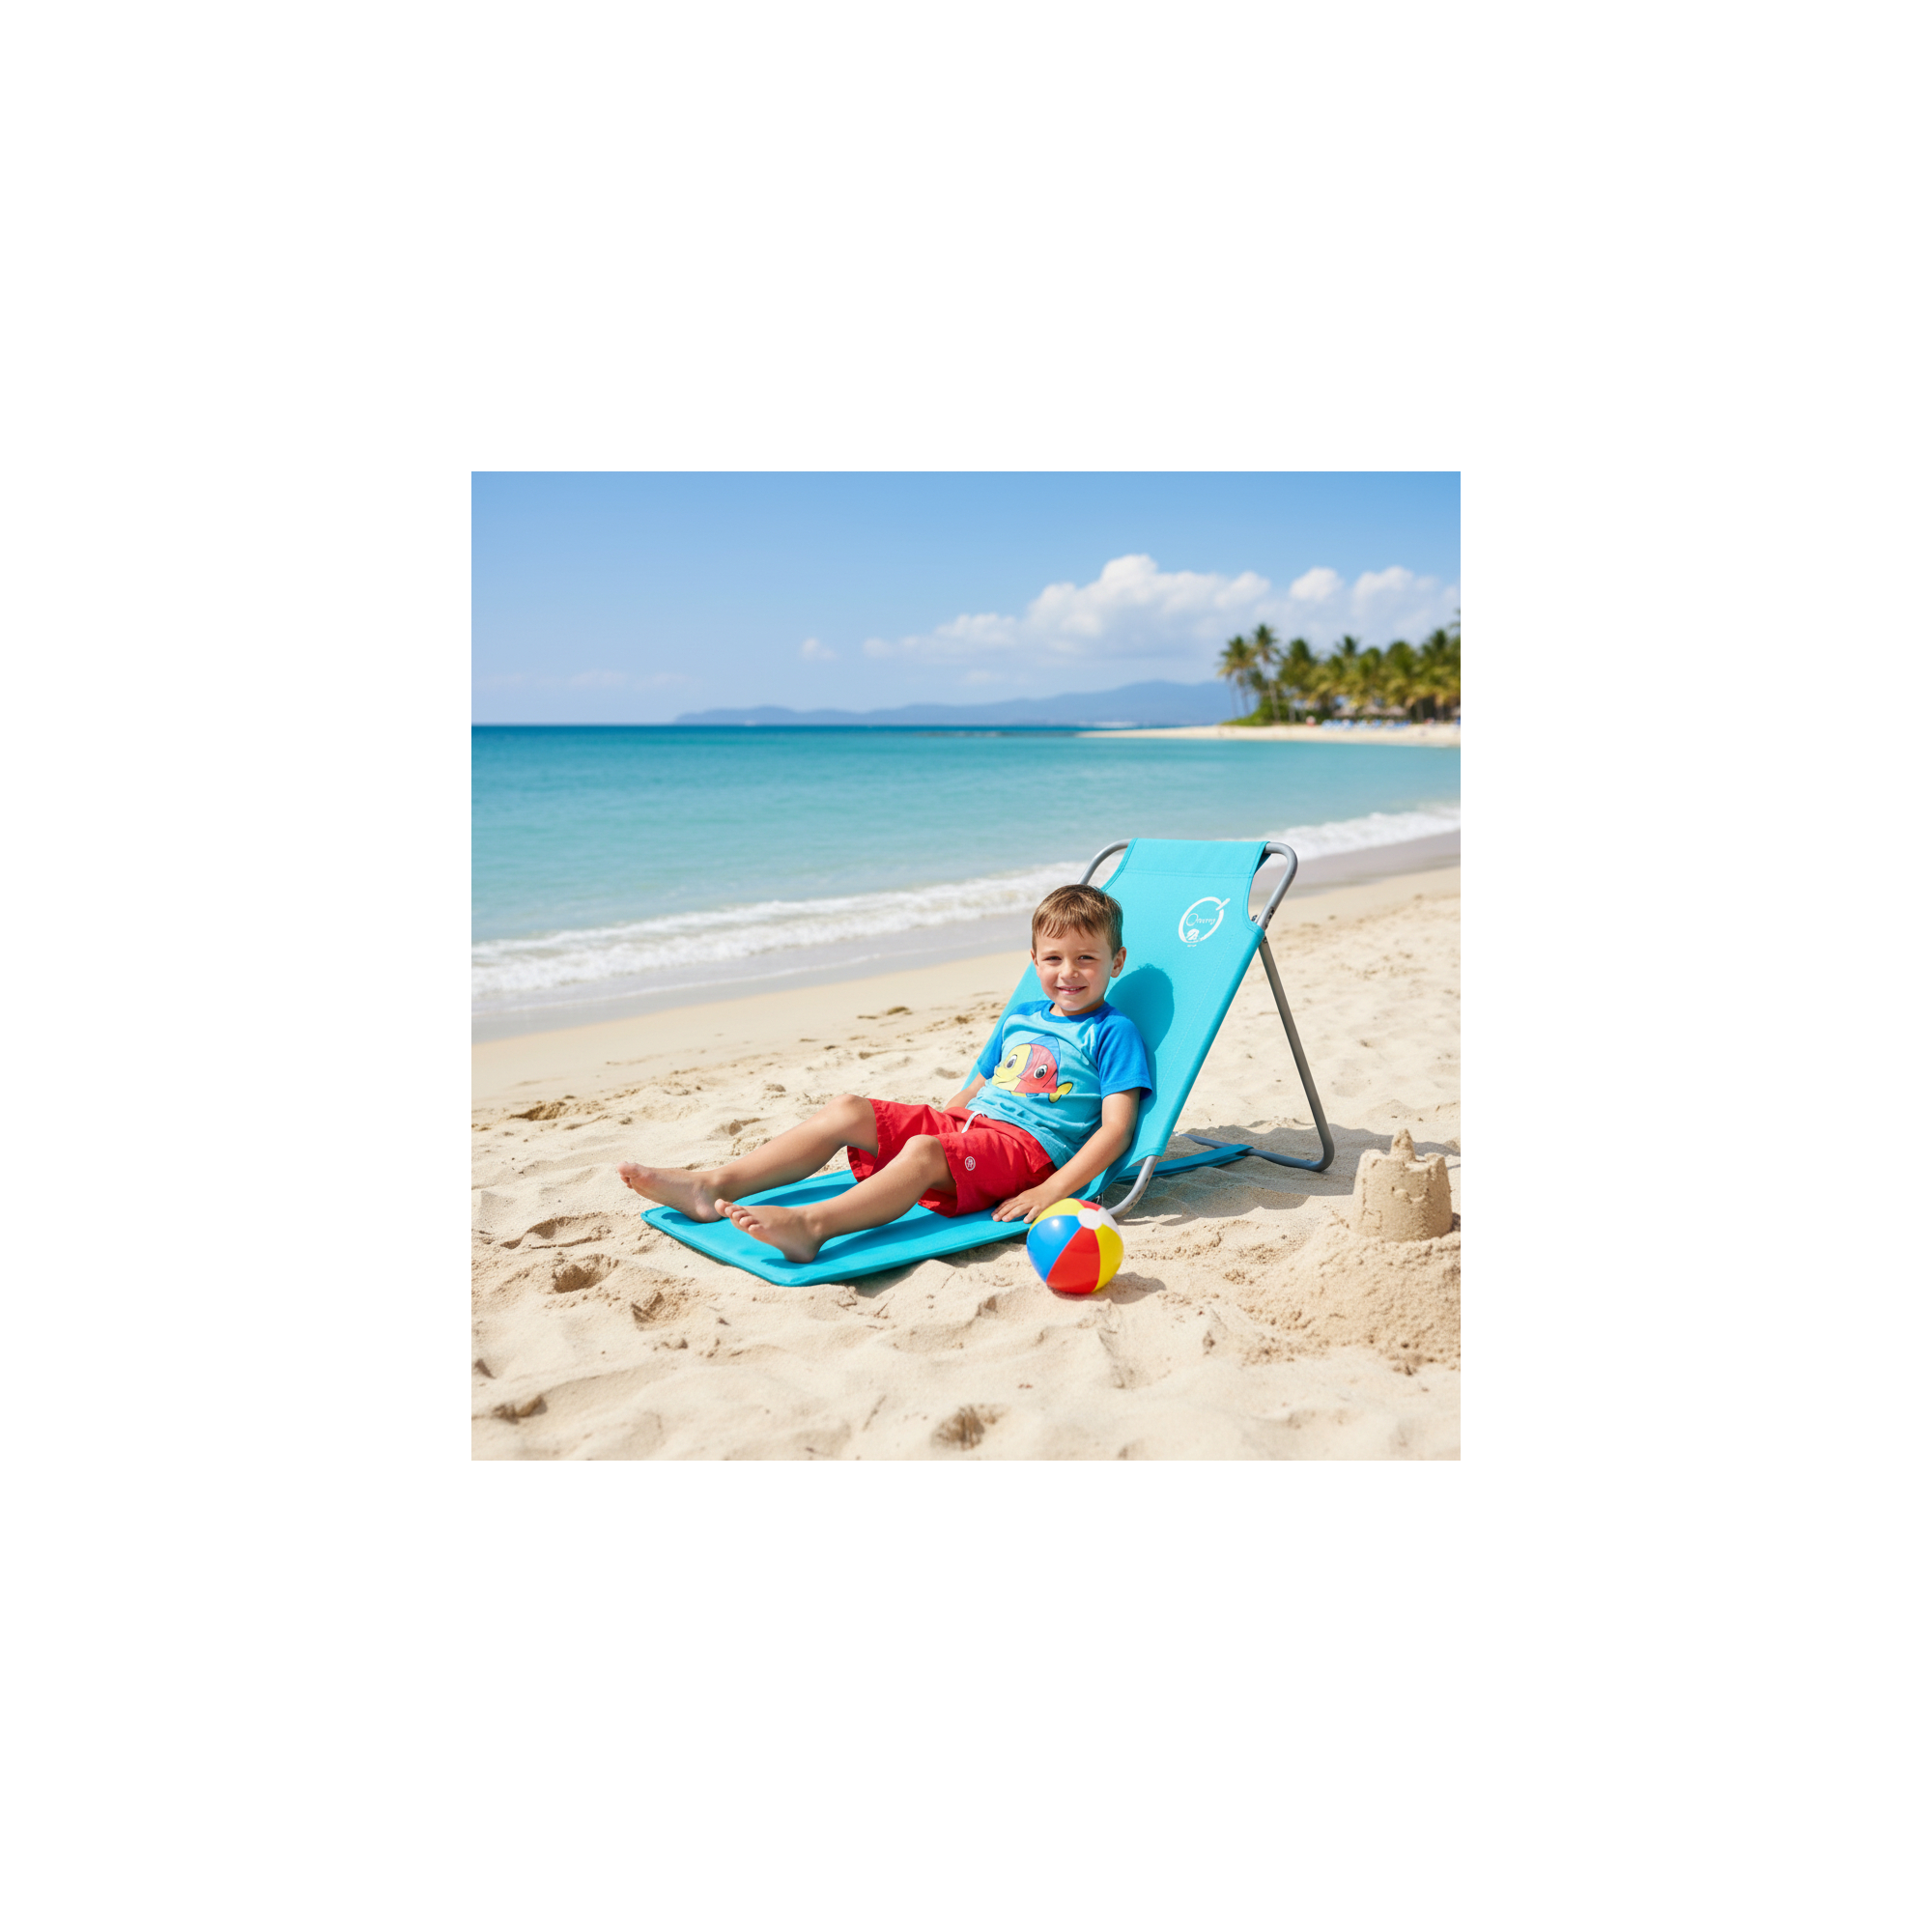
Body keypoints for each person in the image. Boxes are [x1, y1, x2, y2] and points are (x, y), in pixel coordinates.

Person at [616, 882, 1151, 1264]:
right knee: (848, 1109)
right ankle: (712, 1186)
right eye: (1054, 958)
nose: (1068, 972)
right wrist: (948, 1120)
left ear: (1116, 961)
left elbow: (1116, 1130)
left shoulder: (1112, 1031)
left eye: (1086, 958)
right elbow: (978, 1083)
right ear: (1034, 959)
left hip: (1028, 1153)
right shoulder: (1022, 1017)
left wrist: (1052, 1189)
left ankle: (811, 1226)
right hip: (972, 1129)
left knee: (922, 1152)